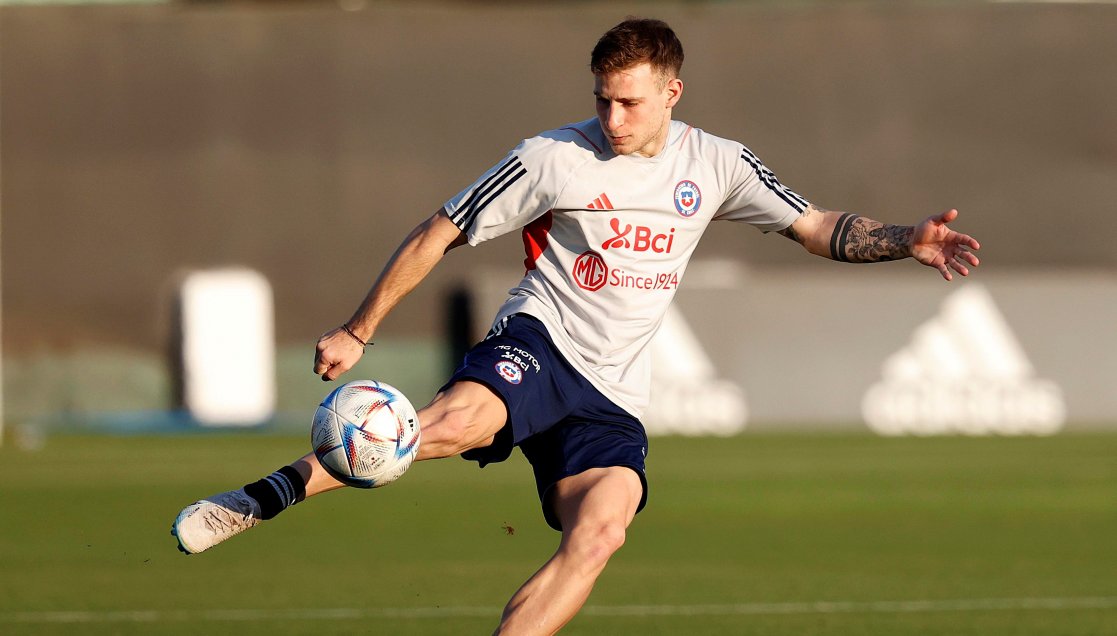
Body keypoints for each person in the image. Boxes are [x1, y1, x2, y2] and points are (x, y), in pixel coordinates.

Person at [172, 17, 980, 635]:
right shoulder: (550, 157)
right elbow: (437, 231)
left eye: (629, 101)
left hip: (613, 394)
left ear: (672, 92)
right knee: (450, 422)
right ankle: (264, 496)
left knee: (600, 537)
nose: (612, 118)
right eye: (601, 98)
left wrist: (906, 238)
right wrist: (359, 328)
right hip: (540, 343)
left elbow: (815, 227)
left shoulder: (719, 165)